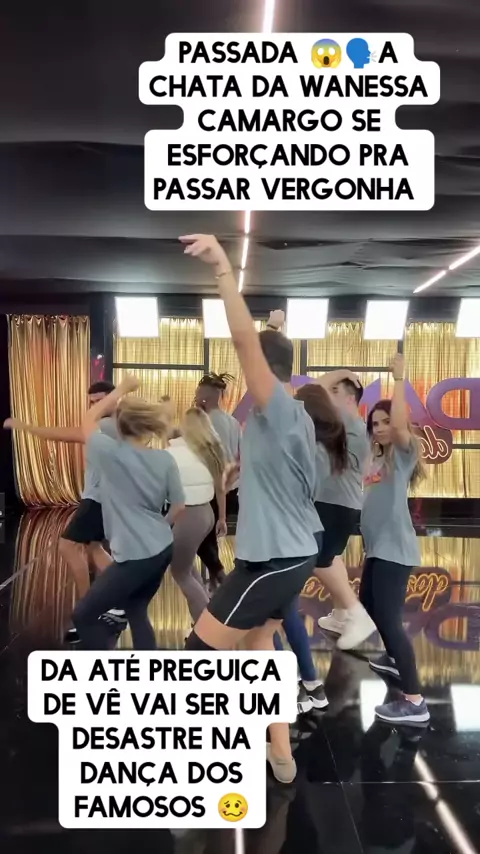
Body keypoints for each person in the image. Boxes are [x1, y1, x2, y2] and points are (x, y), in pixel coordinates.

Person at [180, 233, 320, 785]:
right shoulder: (282, 419)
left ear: (265, 370)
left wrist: (222, 268)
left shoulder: (281, 409)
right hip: (284, 555)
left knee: (199, 651)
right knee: (260, 647)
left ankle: (199, 754)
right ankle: (280, 753)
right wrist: (244, 474)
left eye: (254, 366)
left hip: (276, 561)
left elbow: (245, 342)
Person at [3, 381, 125, 641]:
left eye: (100, 401)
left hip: (98, 498)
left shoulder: (105, 426)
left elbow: (64, 434)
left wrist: (25, 426)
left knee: (67, 546)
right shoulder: (116, 425)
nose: (95, 406)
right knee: (94, 548)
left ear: (114, 399)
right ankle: (122, 598)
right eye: (92, 402)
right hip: (107, 497)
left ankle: (87, 613)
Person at [72, 375, 185, 649]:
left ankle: (110, 668)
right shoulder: (164, 459)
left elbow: (88, 419)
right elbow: (179, 506)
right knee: (136, 610)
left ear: (119, 426)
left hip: (135, 556)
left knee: (83, 615)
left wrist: (120, 390)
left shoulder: (108, 452)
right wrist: (159, 528)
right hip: (162, 548)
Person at [361, 354, 429, 724]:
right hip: (377, 548)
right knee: (368, 604)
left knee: (389, 619)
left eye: (386, 421)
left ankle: (415, 702)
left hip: (395, 549)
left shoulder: (402, 454)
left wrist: (399, 379)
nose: (381, 428)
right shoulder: (375, 458)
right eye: (375, 423)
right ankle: (392, 657)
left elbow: (402, 426)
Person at [275, 382, 350, 714]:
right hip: (303, 535)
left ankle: (294, 686)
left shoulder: (306, 449)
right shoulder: (326, 448)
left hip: (289, 537)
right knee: (283, 612)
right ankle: (309, 684)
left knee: (267, 618)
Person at [313, 370, 376, 650]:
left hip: (333, 503)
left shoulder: (345, 421)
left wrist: (342, 373)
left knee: (316, 559)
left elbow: (314, 391)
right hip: (342, 503)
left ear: (350, 399)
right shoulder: (355, 427)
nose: (328, 395)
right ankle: (340, 615)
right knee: (330, 558)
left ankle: (355, 612)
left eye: (336, 391)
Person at [167, 407, 227, 621]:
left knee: (180, 573)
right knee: (186, 568)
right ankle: (203, 619)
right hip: (206, 513)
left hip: (188, 516)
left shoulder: (174, 453)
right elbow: (220, 489)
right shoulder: (212, 452)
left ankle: (205, 625)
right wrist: (222, 518)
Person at [195, 372, 242, 588]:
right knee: (208, 534)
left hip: (213, 488)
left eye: (198, 393)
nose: (195, 397)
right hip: (231, 488)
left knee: (203, 535)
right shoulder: (233, 422)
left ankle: (218, 574)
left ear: (206, 397)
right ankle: (216, 578)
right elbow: (240, 455)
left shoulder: (205, 423)